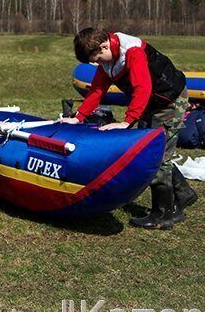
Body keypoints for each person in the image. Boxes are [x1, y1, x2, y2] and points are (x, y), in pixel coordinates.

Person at [61, 27, 196, 229]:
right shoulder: (108, 60)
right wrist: (78, 117)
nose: (98, 63)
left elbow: (143, 87)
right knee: (153, 149)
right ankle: (184, 193)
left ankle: (163, 215)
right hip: (152, 103)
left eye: (97, 58)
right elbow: (97, 90)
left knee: (158, 157)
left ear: (104, 45)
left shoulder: (132, 52)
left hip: (170, 100)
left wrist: (127, 121)